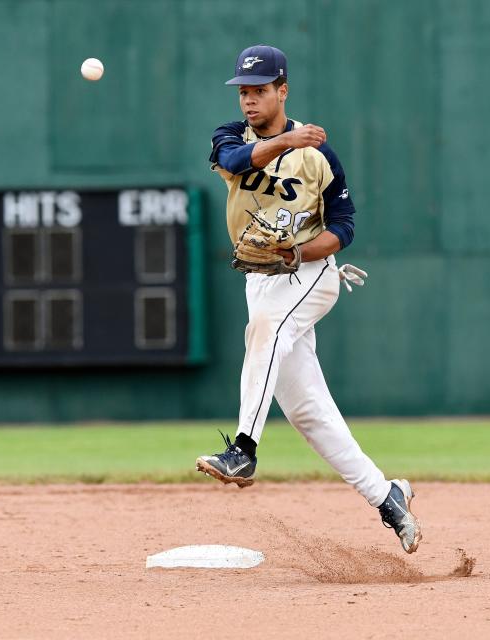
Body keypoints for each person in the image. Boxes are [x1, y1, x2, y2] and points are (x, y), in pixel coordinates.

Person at [194, 45, 422, 553]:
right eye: (244, 93)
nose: (249, 101)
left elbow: (343, 227)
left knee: (266, 332)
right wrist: (286, 141)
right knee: (306, 411)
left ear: (283, 90)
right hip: (261, 280)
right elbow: (232, 161)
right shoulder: (230, 137)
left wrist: (296, 251)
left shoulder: (319, 156)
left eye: (259, 91)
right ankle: (388, 497)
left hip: (310, 275)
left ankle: (244, 450)